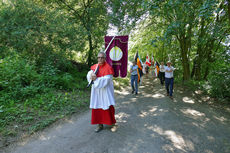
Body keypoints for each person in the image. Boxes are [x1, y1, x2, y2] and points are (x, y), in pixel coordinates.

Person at [87, 52, 116, 133]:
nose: (100, 59)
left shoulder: (108, 68)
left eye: (102, 57)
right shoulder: (95, 67)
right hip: (96, 92)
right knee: (97, 108)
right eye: (99, 57)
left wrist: (96, 79)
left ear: (105, 58)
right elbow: (89, 74)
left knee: (108, 107)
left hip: (105, 92)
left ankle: (112, 123)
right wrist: (91, 75)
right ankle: (99, 125)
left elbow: (106, 80)